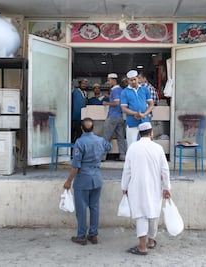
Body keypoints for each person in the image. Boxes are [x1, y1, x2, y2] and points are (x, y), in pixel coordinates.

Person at [121, 121, 171, 255]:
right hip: (155, 186)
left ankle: (142, 246)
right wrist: (166, 187)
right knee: (153, 213)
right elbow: (165, 170)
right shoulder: (158, 148)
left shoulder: (133, 147)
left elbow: (127, 170)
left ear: (140, 133)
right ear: (151, 133)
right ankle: (150, 241)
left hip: (136, 187)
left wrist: (124, 186)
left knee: (141, 215)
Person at [64, 117, 112, 245]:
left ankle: (81, 235)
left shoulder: (80, 142)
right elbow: (109, 146)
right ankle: (93, 234)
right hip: (97, 178)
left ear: (81, 129)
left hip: (83, 179)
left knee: (81, 209)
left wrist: (68, 181)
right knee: (94, 207)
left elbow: (76, 166)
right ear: (93, 128)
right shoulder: (100, 140)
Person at [120, 69, 154, 147]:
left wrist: (144, 114)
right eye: (131, 80)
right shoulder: (124, 92)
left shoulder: (145, 90)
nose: (133, 81)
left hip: (145, 120)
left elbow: (151, 105)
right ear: (128, 81)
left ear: (138, 79)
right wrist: (136, 113)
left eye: (135, 79)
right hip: (132, 121)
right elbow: (123, 108)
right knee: (131, 144)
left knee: (147, 144)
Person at [102, 73, 127, 161]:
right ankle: (122, 155)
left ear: (113, 80)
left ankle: (102, 156)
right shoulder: (120, 90)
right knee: (121, 138)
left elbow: (116, 103)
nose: (108, 82)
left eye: (109, 80)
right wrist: (109, 97)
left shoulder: (115, 90)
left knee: (106, 136)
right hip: (120, 117)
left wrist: (106, 103)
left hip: (113, 116)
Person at [71, 79, 88, 143]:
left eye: (85, 84)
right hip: (74, 116)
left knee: (80, 133)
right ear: (79, 84)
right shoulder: (75, 91)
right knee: (72, 133)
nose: (84, 85)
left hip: (82, 117)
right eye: (83, 83)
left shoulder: (85, 93)